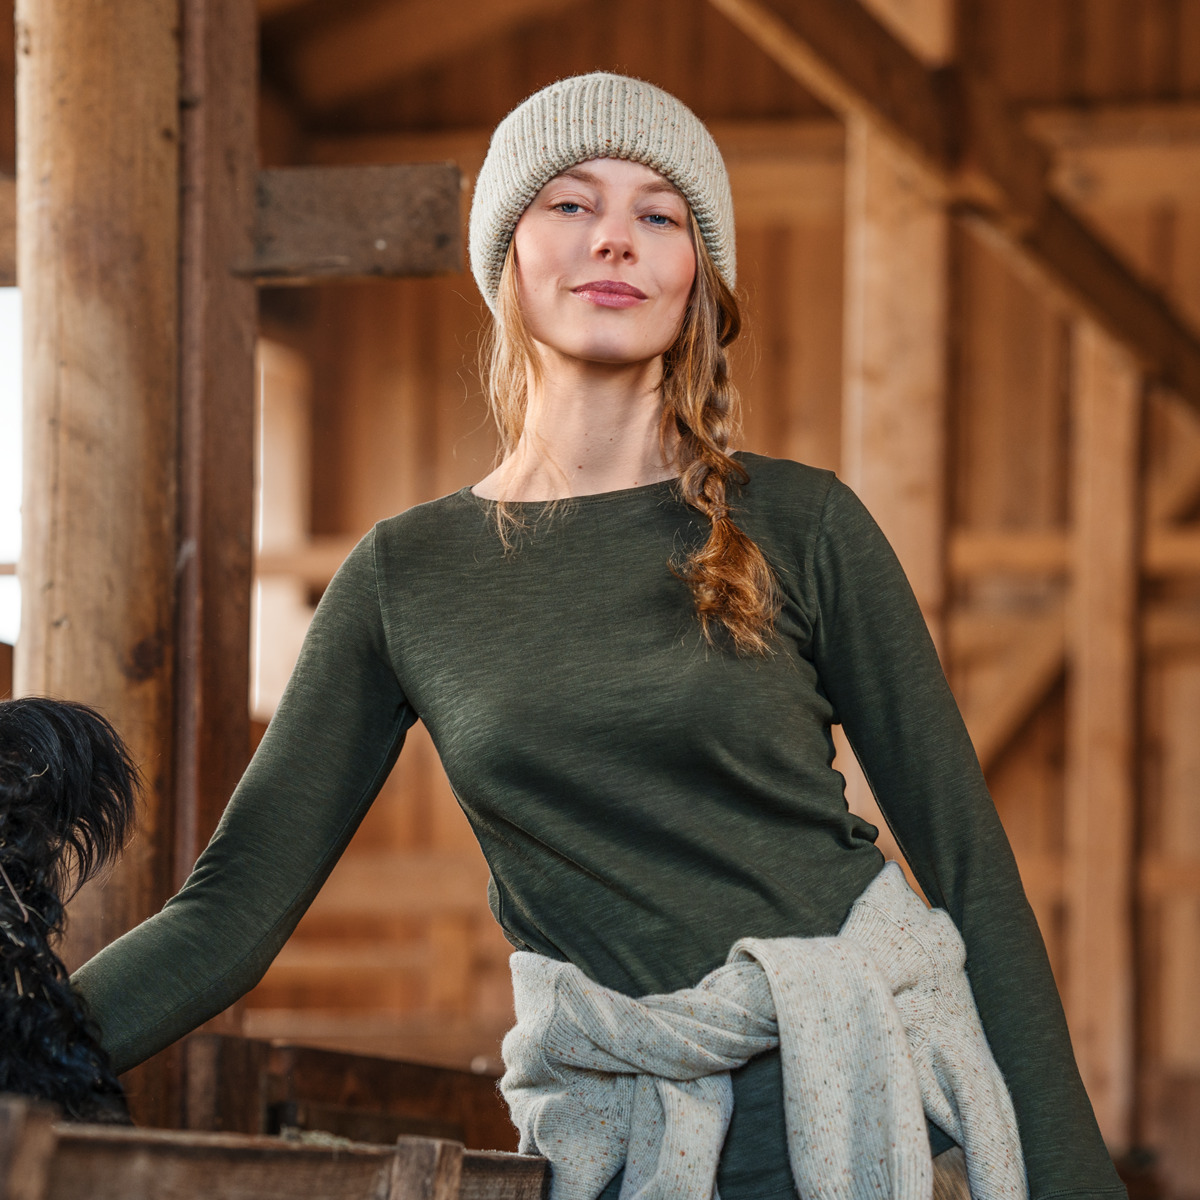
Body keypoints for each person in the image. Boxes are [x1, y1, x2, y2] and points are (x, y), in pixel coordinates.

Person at [73, 73, 1125, 1198]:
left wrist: (1074, 1180)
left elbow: (967, 861)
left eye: (658, 215)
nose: (614, 240)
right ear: (508, 260)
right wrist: (26, 1044)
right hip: (605, 1136)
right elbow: (229, 908)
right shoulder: (405, 576)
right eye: (570, 205)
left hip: (839, 1102)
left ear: (695, 278)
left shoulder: (805, 522)